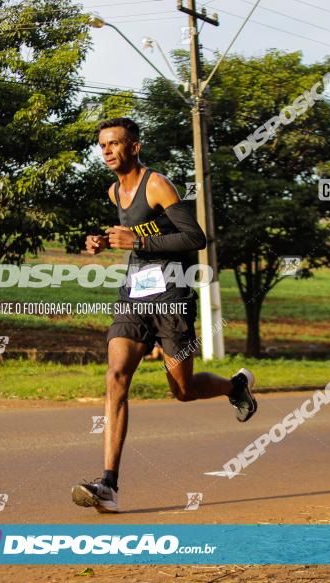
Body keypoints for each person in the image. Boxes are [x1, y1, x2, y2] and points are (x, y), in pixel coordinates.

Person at [71, 118, 257, 514]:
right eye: (102, 145)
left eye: (114, 144)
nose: (106, 151)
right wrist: (103, 241)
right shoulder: (113, 191)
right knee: (116, 376)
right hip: (134, 296)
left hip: (171, 298)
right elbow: (135, 237)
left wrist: (138, 239)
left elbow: (195, 237)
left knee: (182, 390)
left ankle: (235, 387)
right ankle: (109, 484)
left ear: (134, 147)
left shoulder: (156, 184)